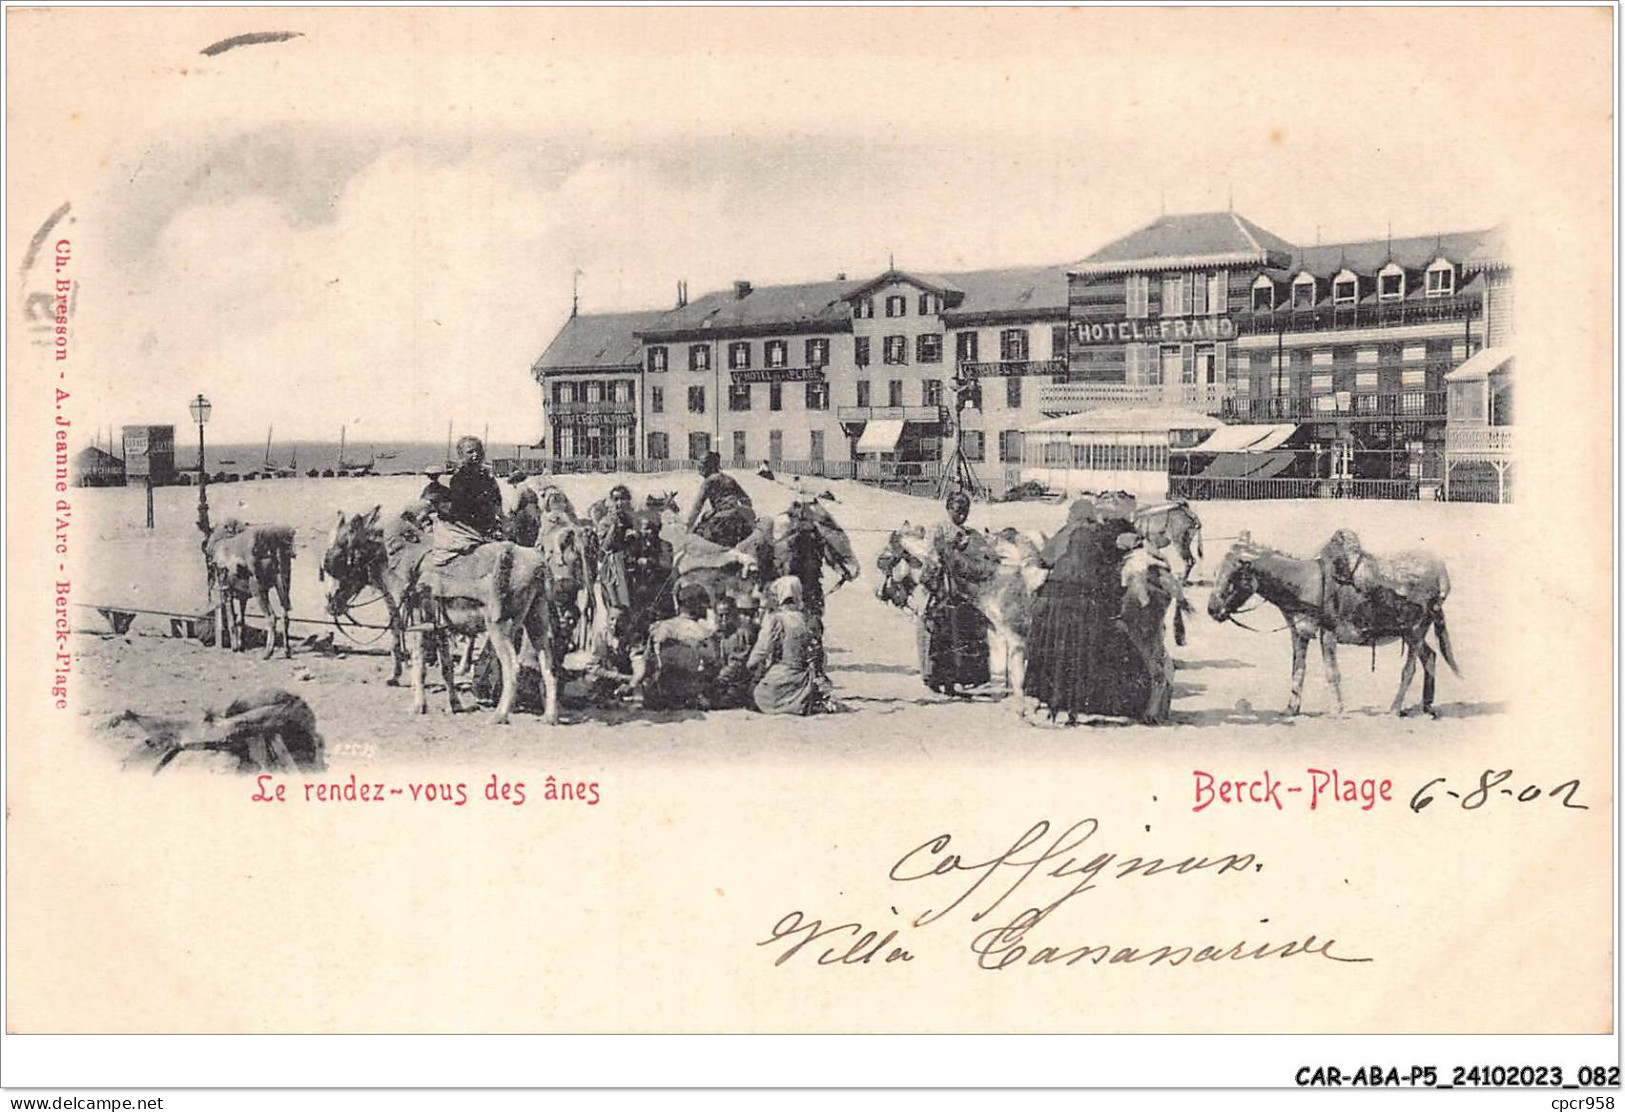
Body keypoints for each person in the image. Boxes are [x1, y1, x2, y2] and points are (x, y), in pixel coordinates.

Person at [1023, 497, 1140, 723]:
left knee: (1054, 653)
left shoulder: (1064, 532)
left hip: (1056, 601)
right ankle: (1075, 705)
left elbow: (1044, 559)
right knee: (1078, 653)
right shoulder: (1100, 531)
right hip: (1084, 602)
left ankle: (1050, 702)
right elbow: (1120, 547)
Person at [919, 491, 992, 697]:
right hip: (943, 587)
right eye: (958, 511)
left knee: (962, 634)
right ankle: (938, 679)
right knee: (943, 634)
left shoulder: (969, 532)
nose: (962, 515)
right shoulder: (939, 528)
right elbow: (930, 554)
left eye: (965, 511)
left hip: (962, 589)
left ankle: (959, 679)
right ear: (949, 508)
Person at [748, 576, 837, 715]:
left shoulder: (778, 619)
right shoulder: (807, 618)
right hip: (805, 677)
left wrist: (749, 665)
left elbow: (763, 649)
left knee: (757, 694)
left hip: (783, 674)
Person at [637, 583, 719, 710]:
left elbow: (647, 660)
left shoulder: (660, 626)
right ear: (697, 605)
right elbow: (712, 663)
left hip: (659, 691)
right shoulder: (703, 631)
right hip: (690, 692)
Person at [685, 451, 756, 547]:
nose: (699, 469)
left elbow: (697, 507)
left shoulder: (709, 481)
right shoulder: (729, 479)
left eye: (701, 466)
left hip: (721, 521)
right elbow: (746, 500)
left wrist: (688, 528)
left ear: (709, 467)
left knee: (699, 541)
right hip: (738, 520)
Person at [444, 436, 504, 540]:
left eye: (478, 451)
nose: (475, 455)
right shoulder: (459, 479)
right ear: (461, 455)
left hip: (490, 525)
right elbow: (460, 508)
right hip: (469, 528)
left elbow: (497, 500)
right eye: (470, 452)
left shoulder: (486, 476)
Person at [710, 596, 759, 709]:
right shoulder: (716, 635)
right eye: (720, 615)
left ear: (734, 614)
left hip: (739, 682)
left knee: (721, 702)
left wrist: (717, 680)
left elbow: (737, 664)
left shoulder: (740, 634)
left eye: (727, 615)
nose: (724, 619)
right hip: (722, 680)